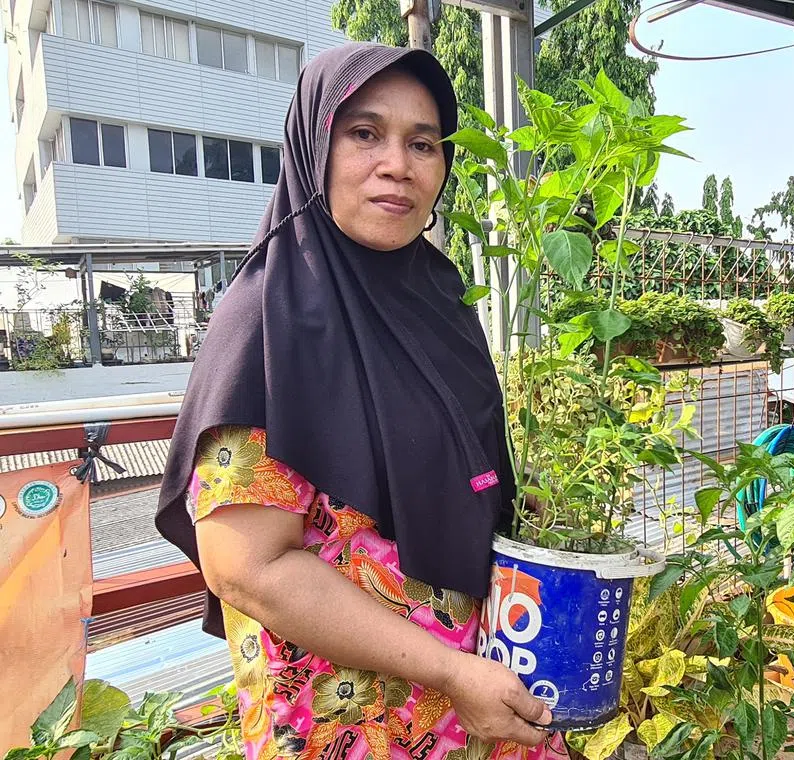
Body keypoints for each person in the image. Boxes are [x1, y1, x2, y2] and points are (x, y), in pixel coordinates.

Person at [156, 43, 566, 760]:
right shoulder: (267, 318)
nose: (398, 165)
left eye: (424, 143)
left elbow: (456, 458)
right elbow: (245, 566)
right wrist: (449, 671)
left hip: (483, 701)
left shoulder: (439, 299)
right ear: (313, 143)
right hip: (351, 727)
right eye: (364, 133)